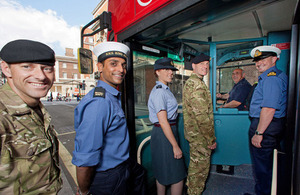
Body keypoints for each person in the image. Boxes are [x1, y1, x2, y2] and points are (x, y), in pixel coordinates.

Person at [72, 41, 145, 195]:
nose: (121, 69)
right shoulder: (99, 102)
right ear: (100, 67)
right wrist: (85, 191)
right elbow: (86, 159)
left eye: (123, 65)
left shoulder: (111, 97)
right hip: (108, 177)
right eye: (113, 64)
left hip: (121, 168)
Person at [0, 39, 62, 194]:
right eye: (27, 67)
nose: (41, 76)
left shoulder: (36, 109)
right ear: (6, 69)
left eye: (47, 68)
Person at [248, 45, 287, 195]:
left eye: (263, 59)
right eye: (257, 61)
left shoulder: (271, 79)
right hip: (269, 126)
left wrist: (259, 132)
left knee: (263, 169)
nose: (259, 63)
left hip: (265, 128)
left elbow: (269, 109)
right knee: (266, 167)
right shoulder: (275, 76)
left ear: (274, 59)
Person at [148, 58, 186, 195]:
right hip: (165, 134)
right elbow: (163, 121)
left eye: (172, 70)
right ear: (157, 72)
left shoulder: (165, 89)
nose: (171, 72)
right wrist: (175, 146)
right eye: (167, 69)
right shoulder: (160, 92)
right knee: (178, 175)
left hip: (165, 132)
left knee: (162, 172)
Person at [183, 53, 217, 195]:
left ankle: (192, 189)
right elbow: (202, 117)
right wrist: (210, 139)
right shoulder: (197, 85)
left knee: (195, 167)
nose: (205, 66)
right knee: (200, 170)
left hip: (195, 135)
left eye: (206, 64)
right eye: (201, 64)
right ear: (193, 66)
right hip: (200, 137)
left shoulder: (194, 82)